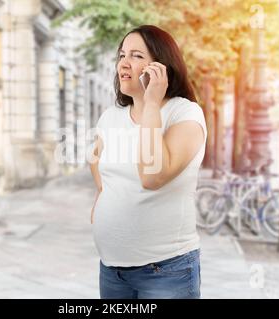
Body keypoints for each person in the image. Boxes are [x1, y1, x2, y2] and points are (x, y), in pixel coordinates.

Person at [89, 25, 207, 299]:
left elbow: (152, 175)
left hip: (166, 272)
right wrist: (103, 195)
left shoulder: (185, 114)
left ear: (162, 67)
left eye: (136, 55)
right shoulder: (111, 116)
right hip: (112, 271)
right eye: (121, 55)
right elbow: (96, 160)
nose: (124, 63)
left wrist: (152, 103)